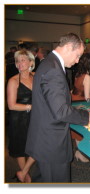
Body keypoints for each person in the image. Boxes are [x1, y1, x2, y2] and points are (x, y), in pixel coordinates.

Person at [25, 33, 90, 183]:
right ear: (69, 47)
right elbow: (60, 111)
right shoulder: (52, 69)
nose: (78, 61)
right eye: (77, 55)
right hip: (51, 144)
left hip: (45, 139)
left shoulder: (49, 63)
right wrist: (87, 116)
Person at [7, 49, 35, 183]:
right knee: (20, 148)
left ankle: (22, 172)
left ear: (31, 62)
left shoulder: (35, 76)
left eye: (23, 60)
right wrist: (30, 107)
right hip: (19, 119)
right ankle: (26, 176)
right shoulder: (13, 81)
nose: (19, 63)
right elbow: (11, 105)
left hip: (34, 118)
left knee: (38, 144)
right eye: (17, 61)